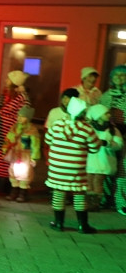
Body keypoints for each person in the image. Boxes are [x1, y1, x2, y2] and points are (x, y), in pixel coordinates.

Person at [46, 97, 101, 233]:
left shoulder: (58, 125)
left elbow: (48, 139)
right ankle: (83, 225)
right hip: (76, 169)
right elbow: (95, 147)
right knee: (79, 194)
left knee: (58, 193)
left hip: (57, 168)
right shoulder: (86, 129)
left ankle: (59, 223)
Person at [0, 71, 31, 194]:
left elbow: (24, 115)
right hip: (0, 129)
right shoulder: (5, 94)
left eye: (8, 79)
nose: (5, 81)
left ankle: (8, 184)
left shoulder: (22, 98)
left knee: (7, 157)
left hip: (11, 132)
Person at [99, 66, 126, 215]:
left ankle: (121, 202)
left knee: (123, 170)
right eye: (117, 75)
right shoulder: (106, 96)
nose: (119, 78)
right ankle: (105, 199)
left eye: (123, 75)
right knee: (107, 167)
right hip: (109, 135)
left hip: (125, 137)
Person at [85, 104, 122, 211]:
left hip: (104, 161)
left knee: (97, 181)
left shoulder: (113, 130)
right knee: (88, 181)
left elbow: (119, 145)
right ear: (98, 115)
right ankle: (88, 203)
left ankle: (95, 204)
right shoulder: (90, 128)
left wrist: (107, 143)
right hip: (90, 160)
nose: (109, 115)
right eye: (106, 113)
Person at [3, 105, 40, 202]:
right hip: (15, 154)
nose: (19, 118)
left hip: (25, 155)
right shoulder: (14, 128)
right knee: (13, 172)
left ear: (27, 118)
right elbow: (8, 139)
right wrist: (5, 149)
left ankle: (23, 192)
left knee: (25, 173)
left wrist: (34, 157)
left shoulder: (32, 130)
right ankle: (14, 191)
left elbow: (35, 144)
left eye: (22, 116)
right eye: (18, 115)